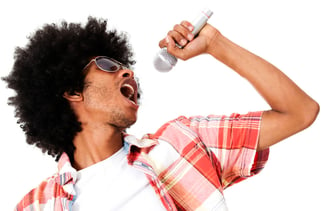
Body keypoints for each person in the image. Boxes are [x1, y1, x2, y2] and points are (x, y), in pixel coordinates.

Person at [3, 16, 319, 211]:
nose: (127, 72)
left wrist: (214, 44)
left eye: (124, 66)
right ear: (72, 91)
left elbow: (300, 112)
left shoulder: (183, 143)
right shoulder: (35, 205)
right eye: (108, 66)